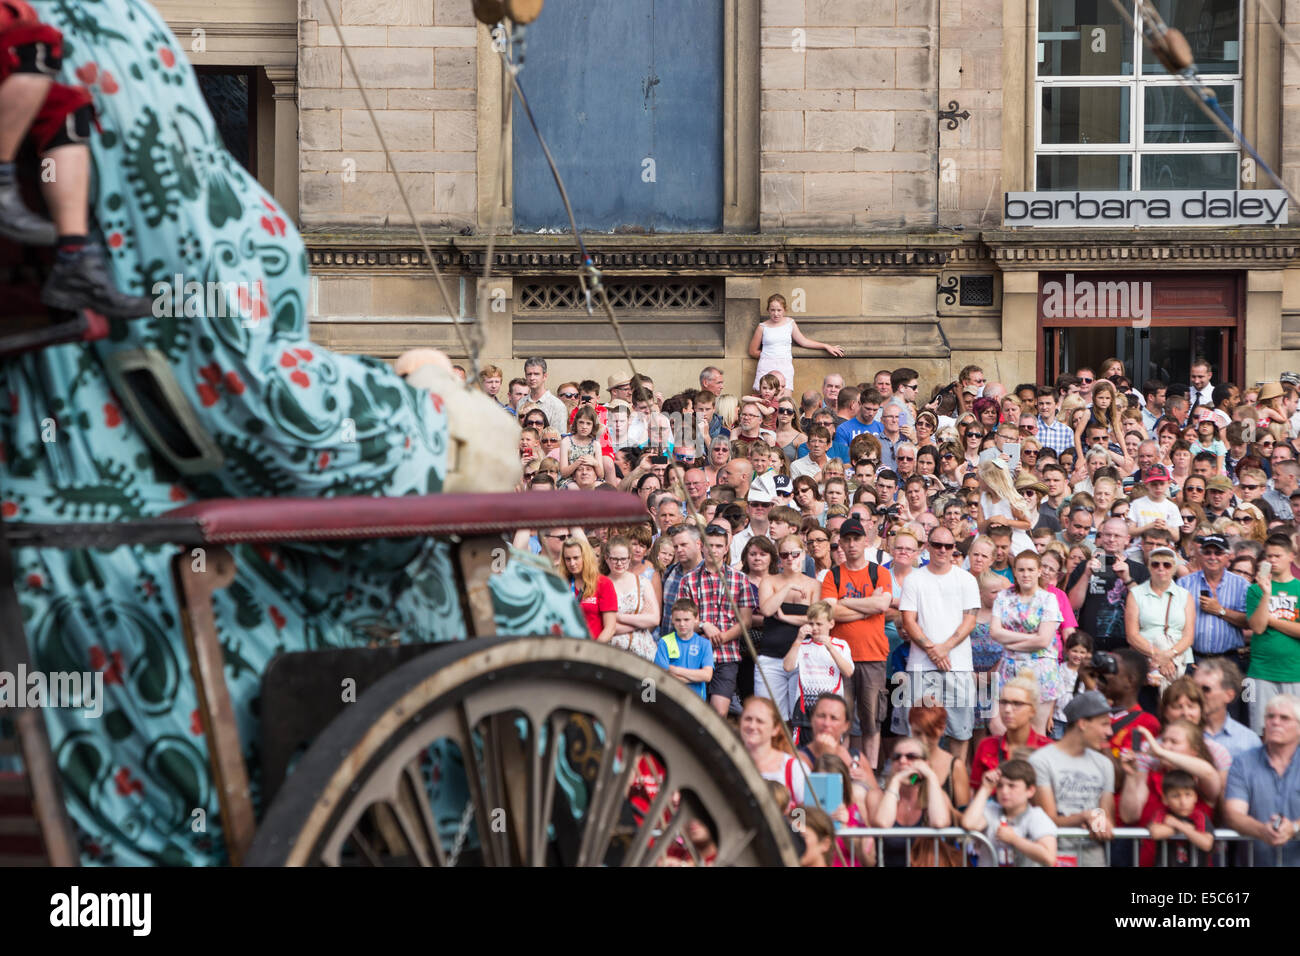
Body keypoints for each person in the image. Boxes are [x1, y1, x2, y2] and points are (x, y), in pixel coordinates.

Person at [899, 526, 980, 765]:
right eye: (937, 545)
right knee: (917, 729)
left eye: (948, 546)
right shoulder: (914, 579)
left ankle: (954, 786)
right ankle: (918, 783)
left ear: (954, 548)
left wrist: (944, 648)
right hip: (920, 666)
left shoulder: (966, 579)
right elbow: (907, 620)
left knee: (960, 730)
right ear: (927, 547)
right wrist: (933, 650)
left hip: (959, 665)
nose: (942, 550)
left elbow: (971, 619)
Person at [821, 516, 893, 766]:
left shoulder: (879, 572)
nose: (852, 544)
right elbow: (831, 612)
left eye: (857, 539)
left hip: (873, 655)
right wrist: (867, 608)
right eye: (847, 539)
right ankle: (842, 770)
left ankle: (869, 772)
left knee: (872, 720)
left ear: (865, 541)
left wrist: (846, 603)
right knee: (842, 720)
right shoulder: (833, 576)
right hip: (840, 657)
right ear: (840, 542)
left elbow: (882, 603)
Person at [1029, 690, 1117, 867]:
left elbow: (1107, 818)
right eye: (1104, 724)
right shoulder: (1041, 761)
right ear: (1083, 723)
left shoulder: (1104, 764)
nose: (1109, 731)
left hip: (1093, 857)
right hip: (1054, 855)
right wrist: (1084, 817)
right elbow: (1047, 820)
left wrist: (1101, 823)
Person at [679, 523, 757, 717]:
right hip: (695, 653)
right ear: (701, 546)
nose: (713, 550)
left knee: (718, 714)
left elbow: (746, 621)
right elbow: (682, 620)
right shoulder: (688, 580)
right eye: (710, 545)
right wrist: (704, 625)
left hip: (727, 656)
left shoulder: (740, 580)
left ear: (726, 549)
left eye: (718, 546)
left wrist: (722, 637)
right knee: (693, 713)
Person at [1118, 723, 1221, 866]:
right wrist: (1130, 776)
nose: (1165, 746)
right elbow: (1128, 816)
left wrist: (1160, 752)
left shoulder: (1201, 782)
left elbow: (1208, 772)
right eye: (1164, 741)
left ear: (1194, 750)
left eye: (1174, 742)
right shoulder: (1150, 775)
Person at [1223, 694, 1300, 867]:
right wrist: (1262, 831)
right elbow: (1233, 813)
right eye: (1270, 716)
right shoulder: (1243, 762)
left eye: (1284, 718)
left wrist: (1294, 827)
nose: (1275, 722)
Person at [991, 551, 1064, 732]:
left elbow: (1044, 640)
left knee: (1035, 732)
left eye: (1031, 569)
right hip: (1009, 668)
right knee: (998, 727)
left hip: (1040, 670)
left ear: (1039, 571)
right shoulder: (1003, 597)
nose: (1026, 574)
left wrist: (1010, 644)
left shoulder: (1048, 599)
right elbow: (994, 631)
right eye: (1021, 570)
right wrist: (1031, 638)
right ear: (1014, 571)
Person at [757, 535, 821, 720]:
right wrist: (788, 586)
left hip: (803, 658)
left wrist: (785, 617)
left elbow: (815, 622)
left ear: (803, 555)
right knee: (769, 717)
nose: (790, 559)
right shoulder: (769, 581)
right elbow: (767, 610)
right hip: (770, 657)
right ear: (779, 558)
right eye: (785, 555)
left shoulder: (814, 585)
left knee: (799, 717)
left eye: (795, 554)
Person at [1066, 517, 1150, 651]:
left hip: (1126, 646)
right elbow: (1071, 605)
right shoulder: (1084, 567)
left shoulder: (1139, 570)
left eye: (1117, 536)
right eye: (1107, 534)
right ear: (1101, 536)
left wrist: (1128, 579)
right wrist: (1086, 575)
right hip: (1088, 646)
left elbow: (1146, 608)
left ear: (1127, 539)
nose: (1111, 539)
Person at [1245, 533, 1300, 734]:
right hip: (1261, 672)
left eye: (1277, 556)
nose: (1272, 560)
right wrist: (1267, 593)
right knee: (1261, 731)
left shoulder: (1299, 588)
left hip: (1295, 672)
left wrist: (1273, 620)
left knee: (1295, 732)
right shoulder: (1255, 590)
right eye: (1269, 556)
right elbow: (1258, 627)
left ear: (1291, 556)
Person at [1125, 545, 1195, 700]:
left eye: (1167, 564)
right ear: (1149, 567)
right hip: (1146, 661)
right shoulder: (1136, 594)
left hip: (1180, 661)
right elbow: (1132, 635)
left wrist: (1168, 655)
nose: (1161, 568)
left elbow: (1188, 636)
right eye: (1155, 564)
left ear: (1174, 568)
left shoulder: (1185, 596)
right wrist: (1158, 657)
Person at [872, 736, 954, 867]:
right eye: (897, 757)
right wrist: (896, 781)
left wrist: (931, 776)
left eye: (911, 756)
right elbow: (883, 823)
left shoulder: (937, 796)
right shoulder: (878, 796)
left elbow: (939, 822)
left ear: (925, 763)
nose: (903, 761)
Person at [962, 759, 1058, 867]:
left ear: (1030, 790)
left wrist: (1014, 839)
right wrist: (986, 788)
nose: (1004, 791)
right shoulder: (991, 810)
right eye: (1000, 786)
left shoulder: (1036, 816)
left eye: (1011, 786)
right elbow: (968, 824)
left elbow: (1049, 857)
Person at [747, 292, 844, 391]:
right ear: (768, 310)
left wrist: (825, 346)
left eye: (779, 310)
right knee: (765, 399)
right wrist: (769, 356)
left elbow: (803, 341)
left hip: (785, 365)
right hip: (766, 365)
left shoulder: (790, 323)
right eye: (772, 310)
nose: (776, 313)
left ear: (784, 310)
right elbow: (752, 351)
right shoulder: (762, 327)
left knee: (785, 398)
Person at [783, 600, 854, 727]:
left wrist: (830, 648)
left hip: (831, 707)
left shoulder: (840, 645)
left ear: (831, 624)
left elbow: (848, 672)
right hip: (805, 706)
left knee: (829, 743)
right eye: (811, 623)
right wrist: (798, 639)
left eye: (819, 624)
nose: (814, 628)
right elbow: (787, 667)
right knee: (802, 745)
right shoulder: (802, 644)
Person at [741, 696, 807, 805]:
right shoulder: (728, 760)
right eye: (748, 719)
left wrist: (793, 820)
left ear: (775, 729)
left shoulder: (793, 769)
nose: (752, 726)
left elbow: (805, 815)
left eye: (760, 721)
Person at [1192, 657, 1260, 760]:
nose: (1197, 694)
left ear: (1229, 695)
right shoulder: (1176, 734)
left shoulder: (1248, 741)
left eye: (1206, 689)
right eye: (1193, 688)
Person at [604, 536, 660, 660]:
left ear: (629, 558)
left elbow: (654, 619)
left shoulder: (642, 582)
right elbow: (603, 626)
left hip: (643, 651)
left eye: (623, 559)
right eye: (615, 559)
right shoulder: (600, 585)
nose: (619, 563)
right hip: (613, 652)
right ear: (606, 558)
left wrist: (619, 617)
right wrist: (638, 622)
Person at [653, 598, 715, 699]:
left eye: (686, 619)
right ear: (672, 619)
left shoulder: (704, 644)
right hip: (670, 698)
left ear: (696, 619)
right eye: (678, 620)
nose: (682, 624)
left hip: (696, 700)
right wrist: (696, 676)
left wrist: (675, 670)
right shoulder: (665, 642)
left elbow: (707, 675)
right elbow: (662, 674)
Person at [563, 537, 617, 643]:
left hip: (593, 651)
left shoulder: (603, 583)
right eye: (568, 559)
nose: (572, 563)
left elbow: (610, 628)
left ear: (585, 557)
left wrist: (592, 651)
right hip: (567, 650)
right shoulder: (562, 583)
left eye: (576, 558)